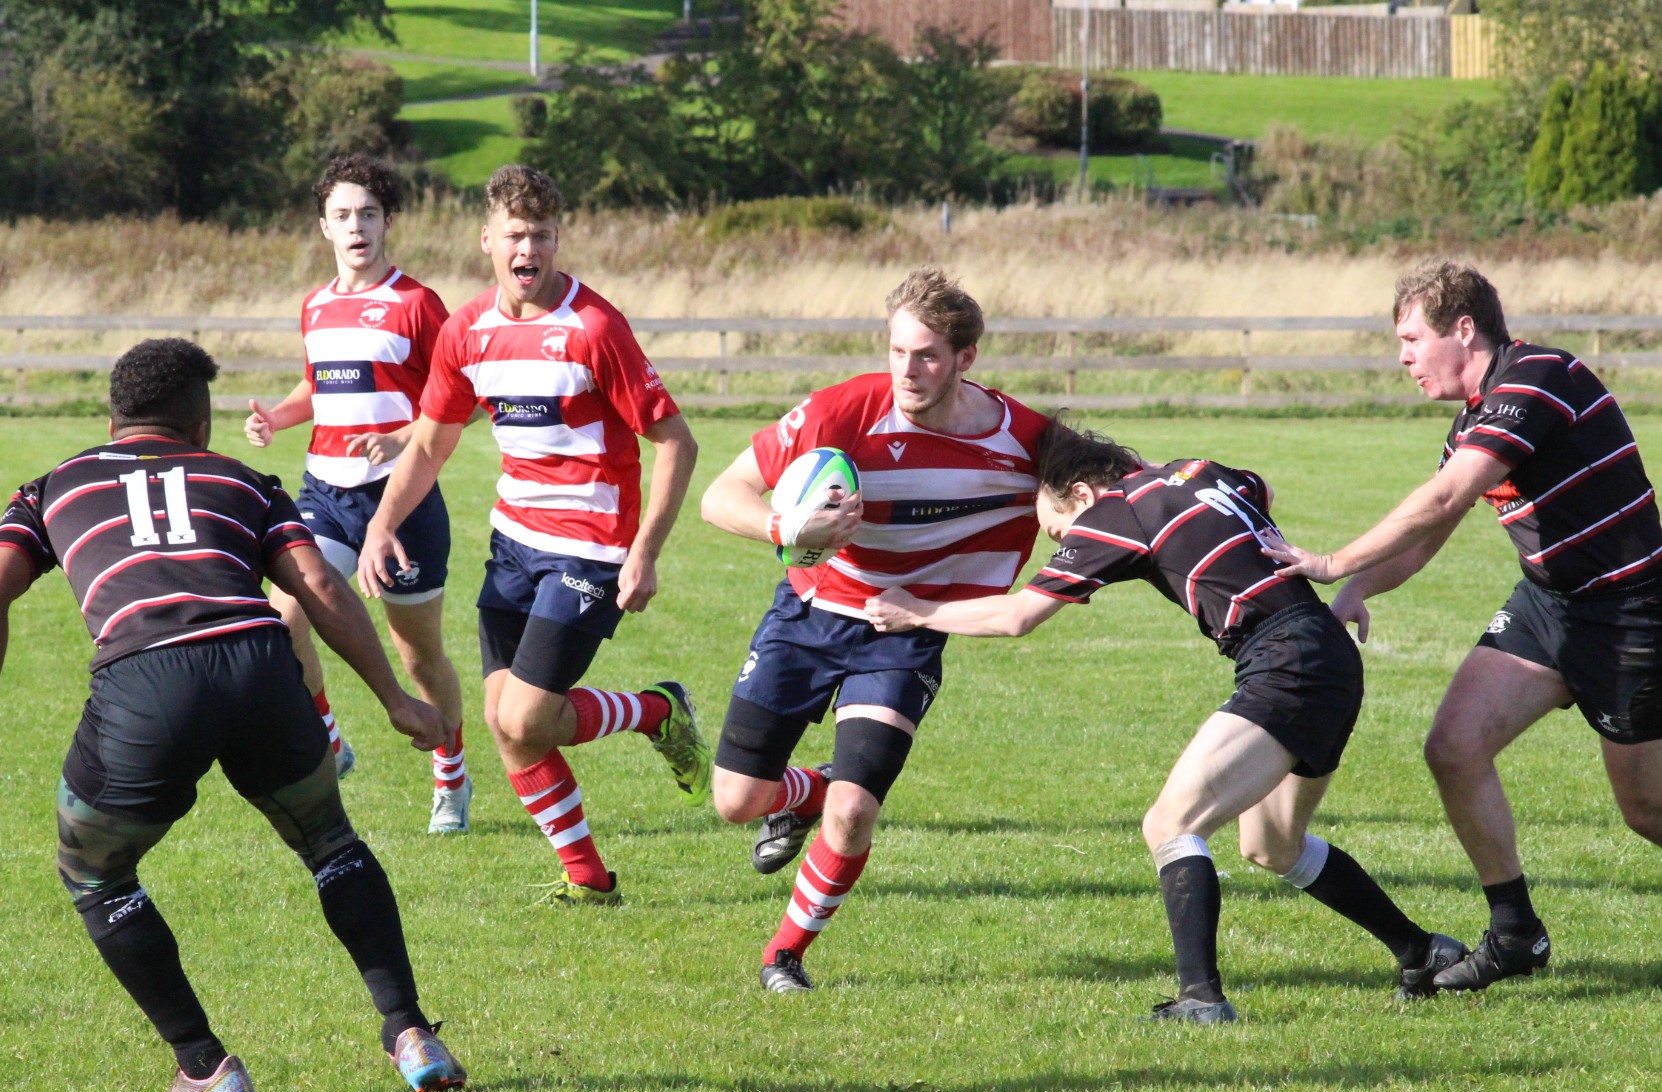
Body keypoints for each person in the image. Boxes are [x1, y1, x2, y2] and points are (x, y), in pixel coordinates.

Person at [0, 338, 466, 1092]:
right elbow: (321, 586)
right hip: (261, 668)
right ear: (201, 427)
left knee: (94, 871)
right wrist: (395, 698)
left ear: (113, 420)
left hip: (147, 682)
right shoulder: (244, 482)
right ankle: (410, 1032)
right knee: (330, 843)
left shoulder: (53, 488)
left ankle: (204, 1066)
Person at [866, 422, 1465, 1021]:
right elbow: (1262, 487)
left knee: (1171, 823)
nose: (1066, 543)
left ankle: (1201, 1000)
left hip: (1286, 662)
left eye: (1059, 529)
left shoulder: (1112, 512)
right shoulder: (1196, 471)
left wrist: (918, 611)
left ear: (1082, 494)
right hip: (1325, 654)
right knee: (1271, 844)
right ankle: (1422, 952)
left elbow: (1019, 616)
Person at [1261, 260, 1662, 993]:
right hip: (1549, 604)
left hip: (1629, 611)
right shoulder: (1473, 421)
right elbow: (1428, 536)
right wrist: (1357, 588)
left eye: (1412, 339)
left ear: (1465, 329)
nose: (1403, 358)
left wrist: (1332, 560)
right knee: (1454, 747)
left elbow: (1446, 498)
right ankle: (1516, 935)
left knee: (1647, 810)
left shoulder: (1538, 378)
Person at [355, 164, 706, 906]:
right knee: (505, 723)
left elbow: (676, 441)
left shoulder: (595, 327)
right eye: (515, 234)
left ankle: (657, 711)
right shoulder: (467, 331)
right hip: (513, 541)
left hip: (591, 546)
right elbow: (430, 443)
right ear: (487, 239)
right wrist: (381, 524)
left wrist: (644, 553)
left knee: (524, 716)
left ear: (556, 240)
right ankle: (591, 880)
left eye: (541, 235)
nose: (529, 248)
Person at [699, 268, 1049, 994]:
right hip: (808, 615)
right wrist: (786, 528)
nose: (907, 371)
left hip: (903, 629)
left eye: (926, 356)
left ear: (965, 358)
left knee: (855, 812)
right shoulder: (843, 410)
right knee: (736, 801)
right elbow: (721, 495)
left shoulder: (1024, 437)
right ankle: (812, 790)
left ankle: (784, 955)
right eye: (897, 351)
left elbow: (1117, 483)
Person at [244, 154, 472, 835]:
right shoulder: (315, 306)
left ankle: (451, 774)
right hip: (326, 493)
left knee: (417, 656)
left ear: (387, 222)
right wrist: (278, 418)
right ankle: (330, 741)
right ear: (324, 227)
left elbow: (462, 399)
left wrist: (405, 438)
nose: (356, 226)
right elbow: (318, 386)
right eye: (342, 215)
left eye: (368, 214)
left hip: (402, 502)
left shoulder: (417, 304)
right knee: (283, 619)